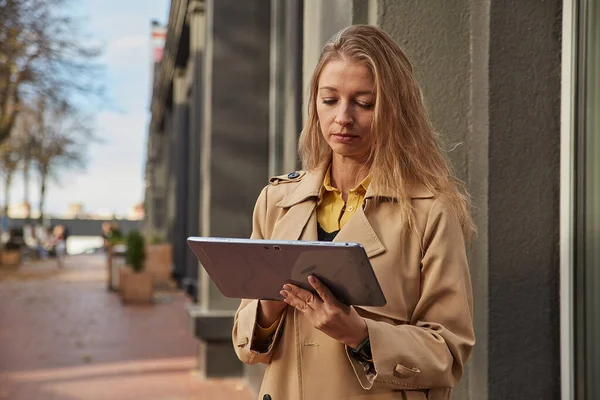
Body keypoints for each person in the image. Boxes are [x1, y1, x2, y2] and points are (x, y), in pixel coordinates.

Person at [232, 25, 475, 400]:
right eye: (330, 100)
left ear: (396, 110)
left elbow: (449, 353)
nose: (343, 117)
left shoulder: (430, 211)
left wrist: (360, 334)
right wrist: (268, 305)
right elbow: (246, 345)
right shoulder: (276, 201)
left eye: (364, 103)